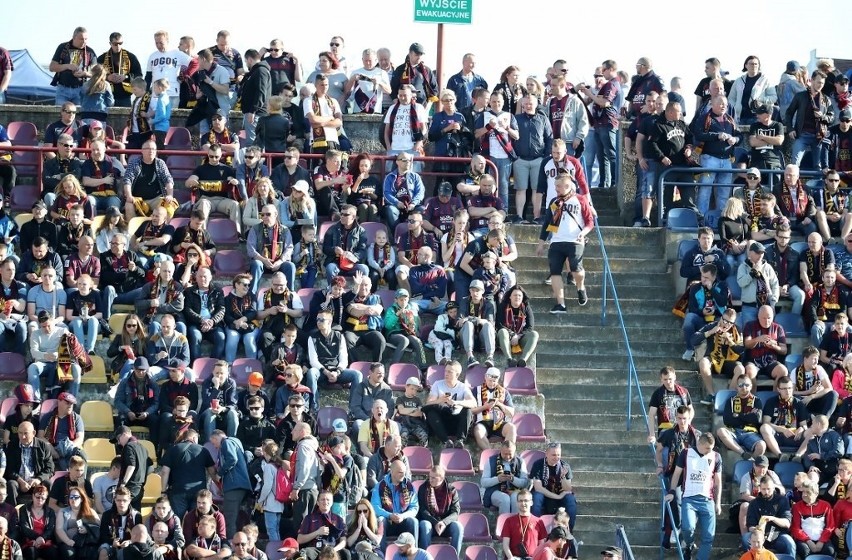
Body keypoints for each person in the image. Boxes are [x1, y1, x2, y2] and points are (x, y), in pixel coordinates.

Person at [536, 174, 594, 313]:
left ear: (567, 186)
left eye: (558, 186)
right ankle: (560, 304)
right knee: (555, 272)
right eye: (555, 186)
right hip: (556, 241)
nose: (555, 188)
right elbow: (547, 224)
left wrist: (583, 233)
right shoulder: (554, 202)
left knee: (576, 268)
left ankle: (580, 287)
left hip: (575, 240)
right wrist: (541, 242)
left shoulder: (580, 199)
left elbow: (590, 221)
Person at [665, 433, 722, 560]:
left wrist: (717, 503)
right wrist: (672, 491)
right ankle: (689, 544)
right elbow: (676, 474)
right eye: (707, 448)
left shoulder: (716, 456)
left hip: (708, 500)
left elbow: (718, 482)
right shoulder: (686, 453)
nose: (710, 450)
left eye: (712, 447)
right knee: (688, 528)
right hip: (689, 498)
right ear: (699, 444)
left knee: (709, 536)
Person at [475, 91, 518, 209]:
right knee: (488, 186)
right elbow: (476, 134)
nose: (496, 104)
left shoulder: (509, 116)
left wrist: (507, 127)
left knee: (503, 186)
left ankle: (504, 211)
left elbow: (516, 136)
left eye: (499, 101)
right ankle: (488, 209)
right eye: (493, 101)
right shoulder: (484, 115)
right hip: (488, 155)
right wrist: (489, 126)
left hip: (504, 155)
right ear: (490, 102)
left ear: (503, 102)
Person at [786, 71, 834, 171]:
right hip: (802, 135)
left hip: (819, 137)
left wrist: (823, 116)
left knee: (819, 166)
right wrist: (790, 129)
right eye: (818, 82)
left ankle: (818, 186)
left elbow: (832, 118)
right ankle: (794, 186)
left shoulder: (826, 99)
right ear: (811, 81)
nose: (820, 85)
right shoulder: (800, 96)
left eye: (822, 83)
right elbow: (789, 113)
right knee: (794, 164)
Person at [208, 430, 251, 539]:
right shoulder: (235, 441)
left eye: (213, 443)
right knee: (235, 518)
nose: (215, 446)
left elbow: (232, 459)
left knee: (229, 519)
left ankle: (230, 545)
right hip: (241, 485)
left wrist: (219, 473)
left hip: (233, 486)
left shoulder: (226, 443)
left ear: (217, 437)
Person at [121, 140, 176, 221]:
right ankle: (132, 232)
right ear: (142, 151)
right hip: (137, 199)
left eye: (153, 149)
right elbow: (127, 180)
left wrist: (170, 195)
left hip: (156, 199)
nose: (151, 151)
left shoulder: (160, 163)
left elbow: (168, 179)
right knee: (128, 205)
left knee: (170, 205)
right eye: (148, 148)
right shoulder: (134, 163)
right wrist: (129, 196)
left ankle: (163, 229)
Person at [371, 459, 419, 551]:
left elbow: (414, 507)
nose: (403, 475)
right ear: (392, 472)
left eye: (404, 472)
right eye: (400, 472)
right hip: (388, 521)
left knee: (413, 521)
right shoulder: (380, 486)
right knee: (380, 520)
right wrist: (389, 515)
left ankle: (413, 554)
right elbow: (375, 507)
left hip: (403, 520)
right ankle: (382, 554)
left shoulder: (409, 486)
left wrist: (403, 516)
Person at [716, 374, 767, 459]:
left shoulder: (757, 401)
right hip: (733, 431)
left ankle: (750, 463)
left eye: (747, 385)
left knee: (762, 446)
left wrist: (737, 415)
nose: (744, 388)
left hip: (750, 432)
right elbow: (727, 420)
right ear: (737, 387)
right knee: (720, 431)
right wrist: (748, 416)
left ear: (751, 386)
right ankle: (743, 454)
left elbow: (756, 419)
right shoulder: (731, 401)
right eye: (741, 385)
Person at [741, 479, 794, 558]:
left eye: (768, 489)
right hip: (758, 536)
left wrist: (772, 518)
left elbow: (787, 523)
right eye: (763, 489)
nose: (766, 492)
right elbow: (750, 526)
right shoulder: (754, 503)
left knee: (789, 542)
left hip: (777, 535)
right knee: (746, 538)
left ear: (773, 488)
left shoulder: (782, 500)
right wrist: (757, 529)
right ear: (760, 488)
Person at [760, 376, 809, 460]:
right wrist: (783, 430)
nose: (788, 391)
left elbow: (804, 425)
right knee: (764, 428)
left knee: (811, 432)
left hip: (794, 435)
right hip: (776, 435)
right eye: (784, 389)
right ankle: (780, 455)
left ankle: (797, 456)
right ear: (778, 389)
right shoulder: (771, 402)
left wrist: (801, 428)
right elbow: (766, 422)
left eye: (790, 388)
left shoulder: (799, 403)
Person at [529, 443, 577, 529]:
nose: (556, 457)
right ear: (546, 454)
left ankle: (569, 532)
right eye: (553, 455)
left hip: (559, 494)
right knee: (536, 496)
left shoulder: (565, 466)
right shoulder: (538, 464)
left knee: (570, 498)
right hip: (544, 495)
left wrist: (563, 477)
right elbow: (538, 488)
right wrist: (557, 497)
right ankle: (534, 529)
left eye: (558, 455)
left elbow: (568, 489)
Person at [415, 465, 461, 553]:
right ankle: (424, 556)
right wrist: (435, 522)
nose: (430, 480)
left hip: (445, 524)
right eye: (429, 477)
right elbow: (422, 510)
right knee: (425, 525)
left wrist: (444, 522)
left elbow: (456, 511)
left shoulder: (451, 490)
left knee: (458, 527)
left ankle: (454, 556)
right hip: (430, 522)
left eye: (433, 478)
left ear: (442, 478)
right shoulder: (423, 488)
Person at [183, 267, 226, 361]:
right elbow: (187, 310)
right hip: (196, 324)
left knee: (221, 337)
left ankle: (214, 365)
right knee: (194, 336)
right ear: (196, 278)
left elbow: (221, 309)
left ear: (210, 277)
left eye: (205, 276)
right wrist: (201, 320)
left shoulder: (218, 291)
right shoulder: (189, 291)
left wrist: (212, 321)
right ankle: (196, 365)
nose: (203, 279)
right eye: (200, 276)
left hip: (214, 324)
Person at [383, 289, 427, 373]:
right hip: (394, 333)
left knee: (417, 341)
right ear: (396, 300)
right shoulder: (391, 310)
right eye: (401, 300)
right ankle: (393, 366)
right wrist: (397, 314)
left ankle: (423, 367)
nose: (403, 302)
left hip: (407, 333)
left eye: (405, 300)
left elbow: (416, 325)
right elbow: (388, 325)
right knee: (404, 340)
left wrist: (413, 327)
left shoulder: (411, 310)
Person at [49, 27, 97, 106]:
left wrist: (84, 73)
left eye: (86, 39)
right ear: (74, 37)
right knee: (61, 115)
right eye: (81, 39)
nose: (84, 42)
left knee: (79, 115)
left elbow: (96, 73)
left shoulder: (90, 52)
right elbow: (52, 67)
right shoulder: (63, 47)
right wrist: (67, 66)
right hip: (62, 89)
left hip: (80, 89)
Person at [481, 440, 529, 516]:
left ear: (515, 451)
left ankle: (516, 524)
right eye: (505, 454)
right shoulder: (490, 461)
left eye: (510, 454)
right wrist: (498, 479)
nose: (507, 457)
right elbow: (483, 482)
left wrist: (513, 479)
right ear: (500, 451)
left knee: (516, 498)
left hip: (515, 490)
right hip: (495, 491)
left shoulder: (520, 461)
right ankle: (504, 525)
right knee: (505, 499)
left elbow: (525, 483)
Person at [791, 480, 835, 558]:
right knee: (805, 551)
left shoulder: (826, 506)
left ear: (816, 493)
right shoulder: (796, 507)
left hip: (822, 539)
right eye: (803, 492)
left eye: (808, 492)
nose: (804, 495)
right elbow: (795, 528)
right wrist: (808, 541)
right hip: (804, 540)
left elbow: (830, 526)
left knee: (829, 550)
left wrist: (821, 541)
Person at [500, 488, 547, 560]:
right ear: (517, 503)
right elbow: (505, 544)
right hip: (514, 558)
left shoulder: (539, 522)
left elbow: (542, 545)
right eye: (520, 501)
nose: (523, 503)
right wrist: (511, 557)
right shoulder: (509, 521)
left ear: (531, 502)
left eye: (526, 501)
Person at [97, 486, 142, 560]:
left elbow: (139, 537)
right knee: (103, 551)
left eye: (124, 500)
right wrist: (112, 542)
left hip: (130, 545)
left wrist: (129, 542)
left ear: (129, 500)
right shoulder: (107, 515)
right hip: (111, 544)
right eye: (119, 500)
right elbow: (103, 535)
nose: (121, 503)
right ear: (115, 500)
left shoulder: (136, 515)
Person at [728, 56, 775, 125]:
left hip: (758, 116)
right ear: (746, 65)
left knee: (754, 136)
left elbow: (773, 97)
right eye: (751, 64)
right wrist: (735, 108)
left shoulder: (765, 80)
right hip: (740, 116)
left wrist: (760, 100)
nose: (754, 66)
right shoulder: (739, 81)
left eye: (756, 64)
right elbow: (731, 98)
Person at [55, 488, 100, 560]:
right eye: (71, 497)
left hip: (86, 543)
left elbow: (98, 527)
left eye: (76, 497)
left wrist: (87, 529)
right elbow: (59, 529)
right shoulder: (63, 511)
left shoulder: (90, 511)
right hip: (68, 543)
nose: (73, 499)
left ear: (82, 499)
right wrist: (68, 541)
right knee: (69, 553)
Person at [19, 484, 57, 560]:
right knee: (31, 553)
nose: (40, 500)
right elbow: (24, 528)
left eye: (43, 498)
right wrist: (37, 538)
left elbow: (50, 529)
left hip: (45, 541)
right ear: (33, 496)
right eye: (38, 497)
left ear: (46, 499)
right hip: (29, 542)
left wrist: (42, 538)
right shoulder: (24, 509)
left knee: (54, 553)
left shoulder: (50, 511)